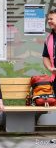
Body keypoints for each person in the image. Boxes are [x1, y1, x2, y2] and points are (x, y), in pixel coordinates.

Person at [42, 9, 56, 143]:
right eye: (49, 19)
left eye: (51, 18)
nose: (49, 21)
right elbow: (45, 56)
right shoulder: (49, 38)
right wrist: (50, 68)